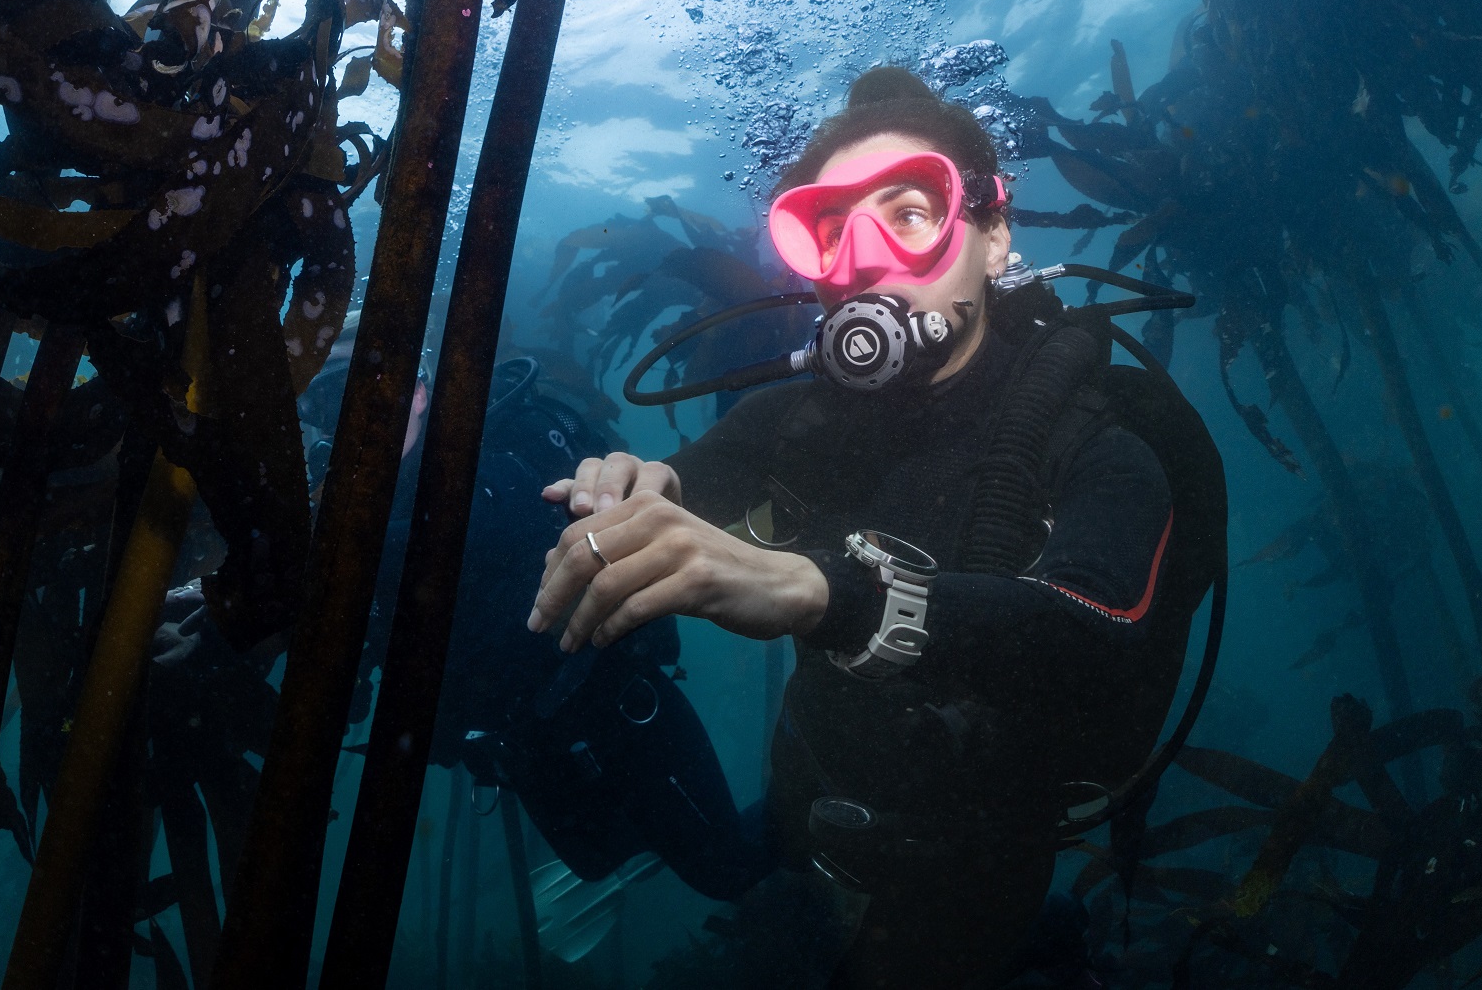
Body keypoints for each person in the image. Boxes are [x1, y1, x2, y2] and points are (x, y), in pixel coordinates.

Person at [529, 67, 1202, 988]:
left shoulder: (1092, 443)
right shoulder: (798, 420)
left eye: (911, 214)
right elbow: (692, 482)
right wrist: (635, 486)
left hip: (970, 870)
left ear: (995, 235)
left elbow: (1098, 629)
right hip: (811, 806)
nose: (865, 259)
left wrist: (821, 589)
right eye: (832, 232)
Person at [154, 322, 771, 907]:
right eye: (324, 405)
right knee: (604, 858)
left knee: (725, 870)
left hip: (614, 709)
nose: (353, 417)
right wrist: (216, 636)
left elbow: (470, 527)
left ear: (421, 390)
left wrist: (277, 571)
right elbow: (320, 637)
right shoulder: (333, 512)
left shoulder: (492, 447)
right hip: (521, 749)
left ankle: (825, 818)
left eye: (365, 388)